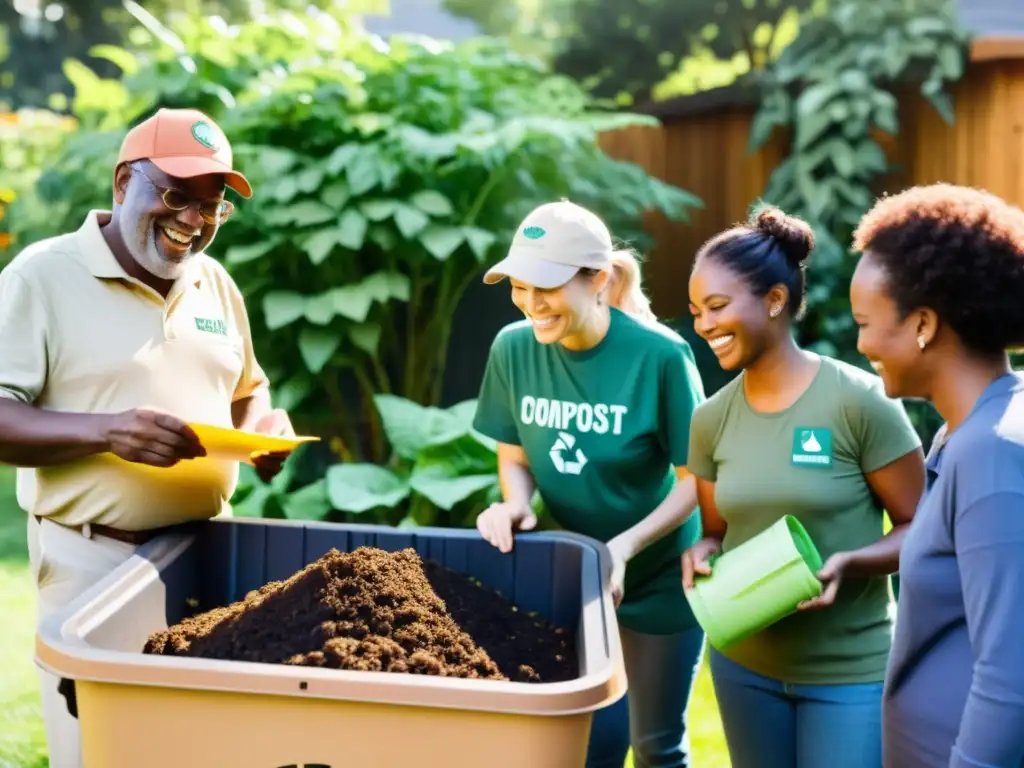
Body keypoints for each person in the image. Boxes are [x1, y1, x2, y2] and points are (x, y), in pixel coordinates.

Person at [0, 108, 295, 768]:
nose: (194, 219)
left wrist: (261, 434)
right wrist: (107, 433)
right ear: (122, 182)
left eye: (211, 205)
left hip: (209, 557)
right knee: (99, 749)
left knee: (200, 750)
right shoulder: (39, 277)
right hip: (94, 562)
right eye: (174, 196)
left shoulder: (214, 283)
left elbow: (250, 389)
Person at [682, 207, 926, 768]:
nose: (703, 325)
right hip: (745, 667)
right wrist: (701, 551)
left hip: (849, 674)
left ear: (774, 300)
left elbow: (924, 526)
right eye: (697, 312)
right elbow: (716, 533)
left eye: (717, 307)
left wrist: (849, 563)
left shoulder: (858, 401)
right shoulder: (711, 419)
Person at [472, 200, 706, 768]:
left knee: (655, 745)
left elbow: (696, 481)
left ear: (598, 280)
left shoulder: (660, 357)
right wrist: (515, 505)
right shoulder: (513, 347)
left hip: (657, 581)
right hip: (574, 577)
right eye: (519, 287)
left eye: (545, 287)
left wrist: (623, 549)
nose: (530, 304)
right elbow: (515, 454)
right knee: (588, 748)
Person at [849, 183, 1024, 768]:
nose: (860, 342)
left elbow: (1012, 674)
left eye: (865, 321)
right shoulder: (966, 430)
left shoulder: (993, 454)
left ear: (923, 323)